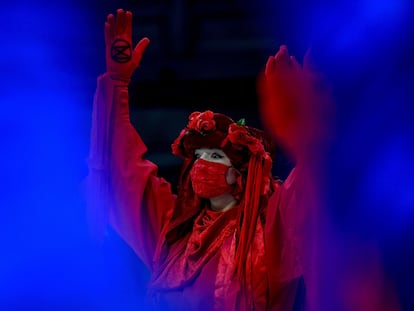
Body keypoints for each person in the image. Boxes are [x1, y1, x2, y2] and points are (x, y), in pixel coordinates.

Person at [85, 8, 328, 311]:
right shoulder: (174, 234)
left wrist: (308, 118)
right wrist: (117, 82)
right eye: (198, 155)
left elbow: (316, 186)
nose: (201, 164)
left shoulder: (270, 228)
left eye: (214, 155)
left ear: (239, 173)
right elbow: (124, 174)